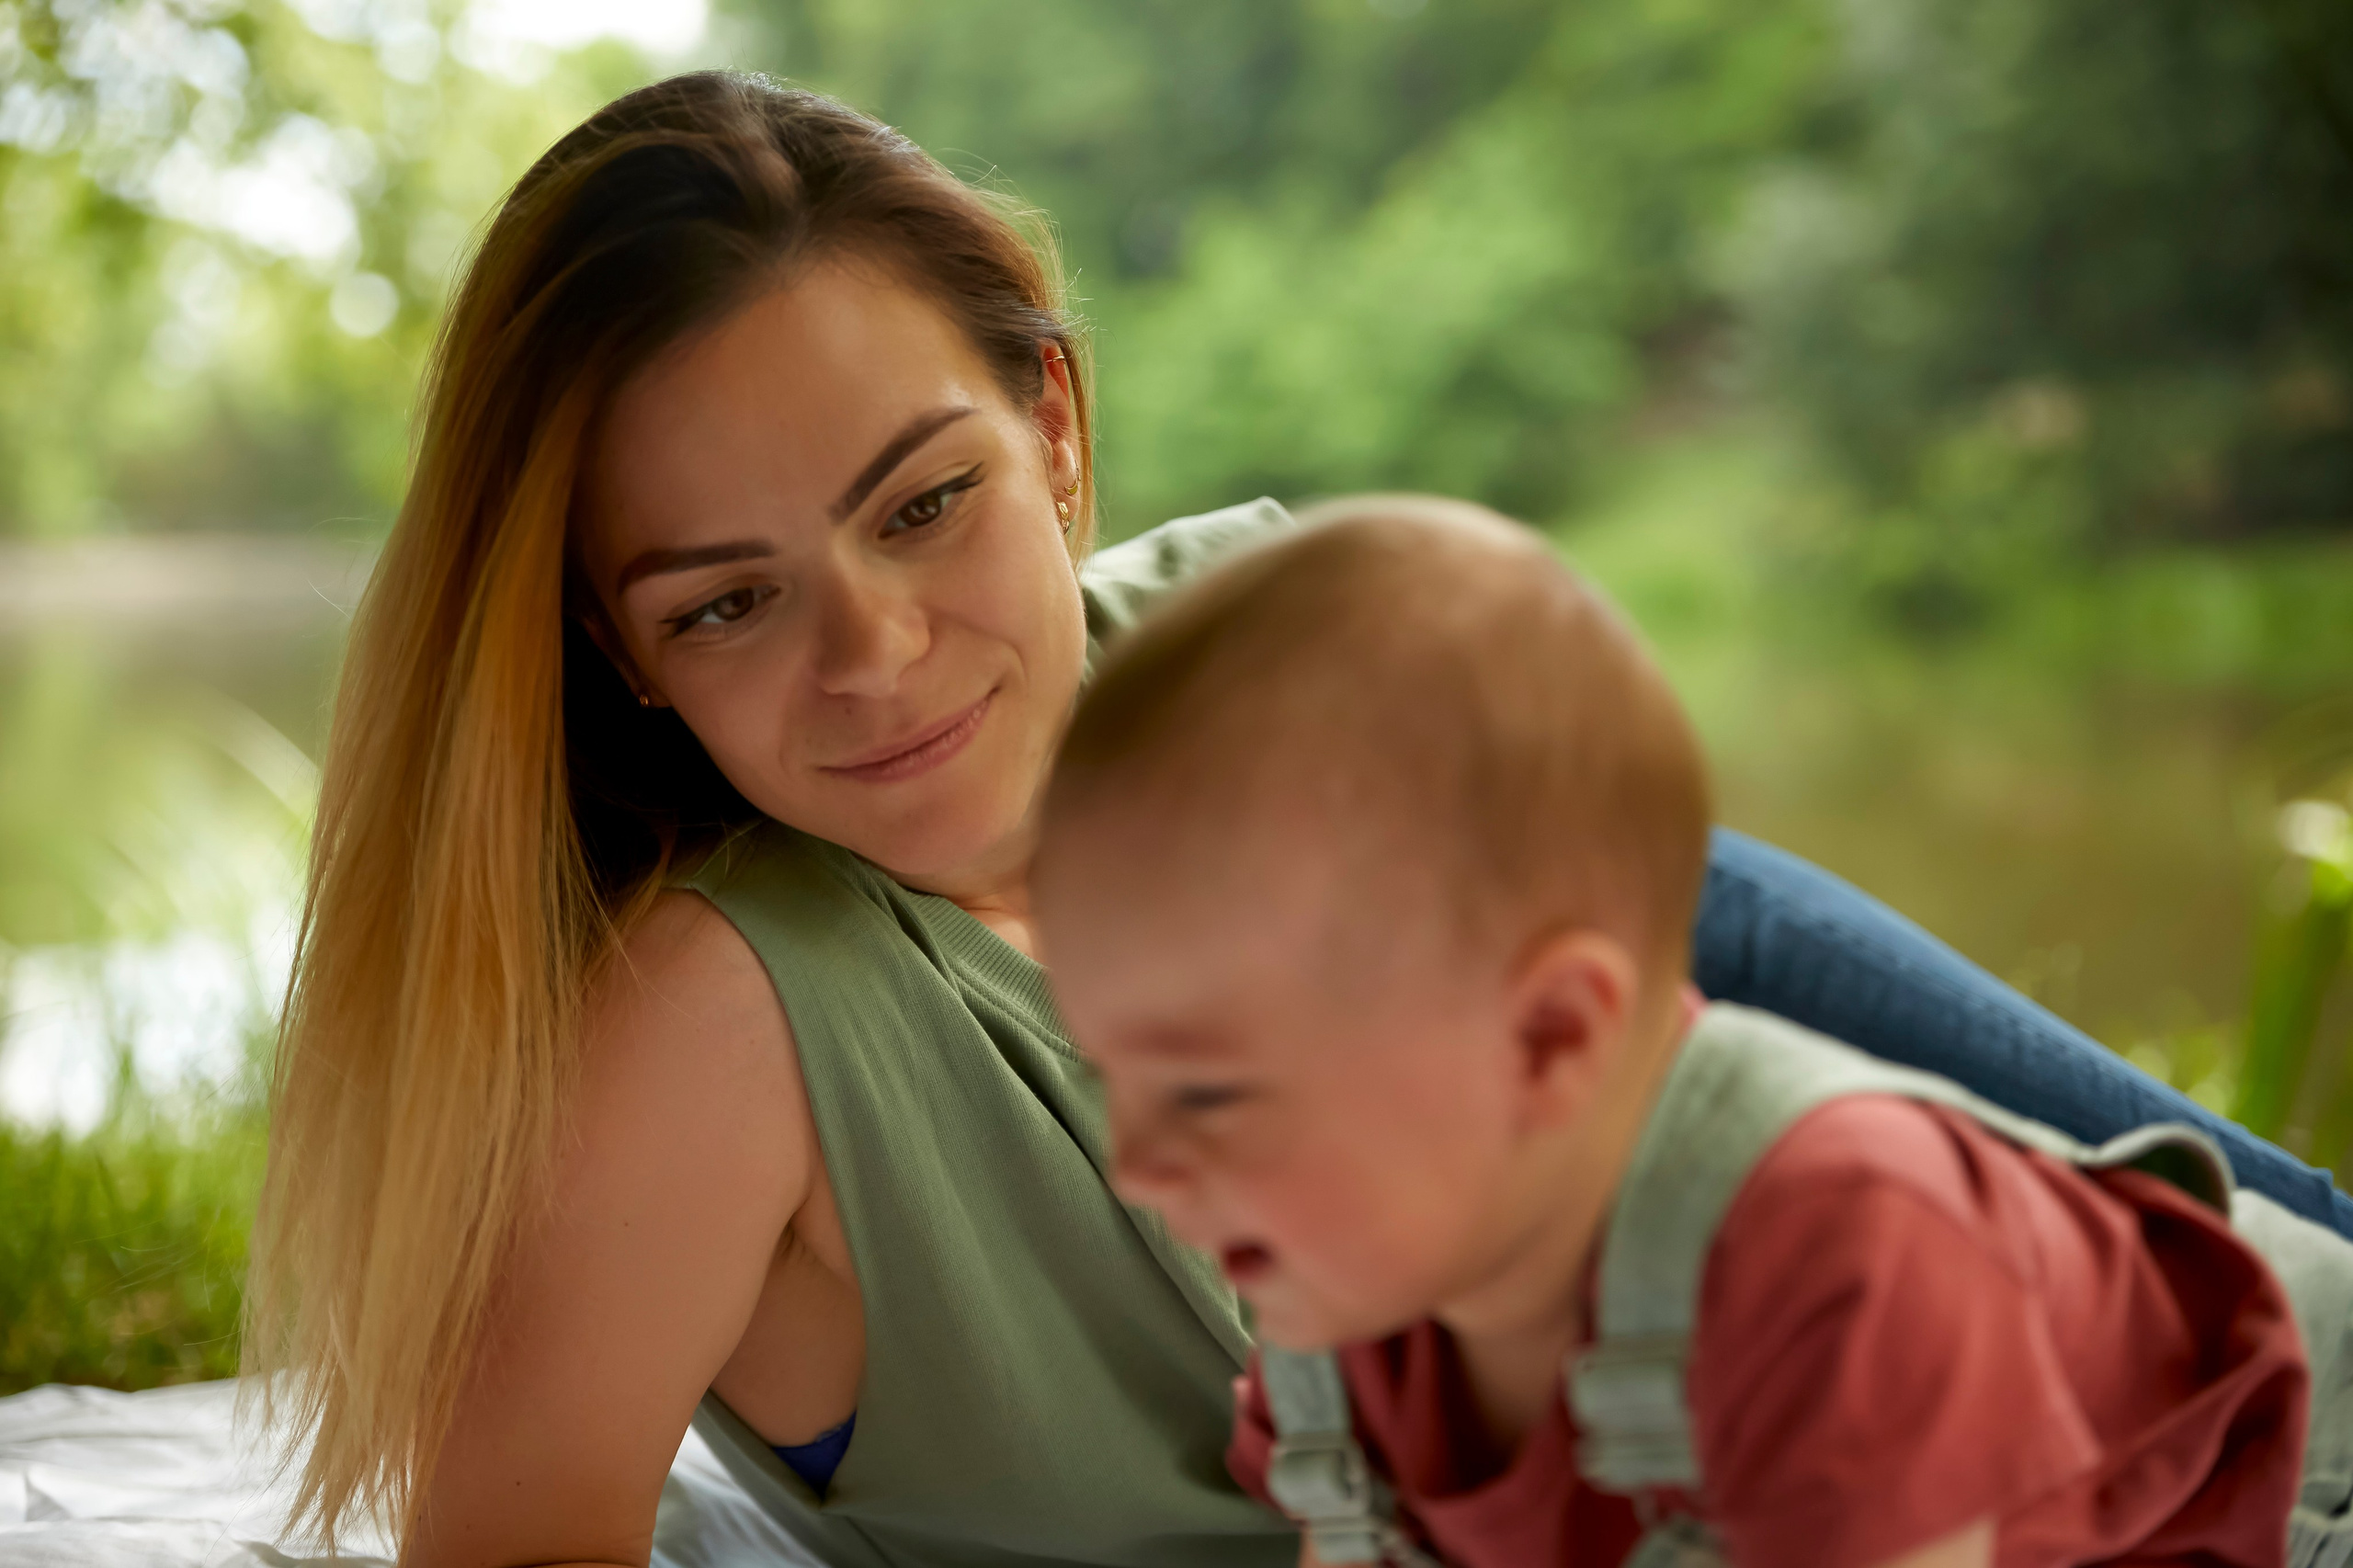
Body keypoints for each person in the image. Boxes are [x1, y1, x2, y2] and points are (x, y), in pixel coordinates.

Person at [242, 69, 2351, 1568]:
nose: (870, 650)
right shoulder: (731, 1018)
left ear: (1051, 428)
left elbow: (1767, 1033)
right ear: (621, 652)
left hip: (2133, 1396)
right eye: (725, 598)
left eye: (924, 499)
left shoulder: (1283, 640)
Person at [1032, 500, 2334, 1568]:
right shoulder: (1353, 1291)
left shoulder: (1847, 1245)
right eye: (1123, 1079)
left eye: (1206, 1095)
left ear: (1547, 1039)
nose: (1135, 1164)